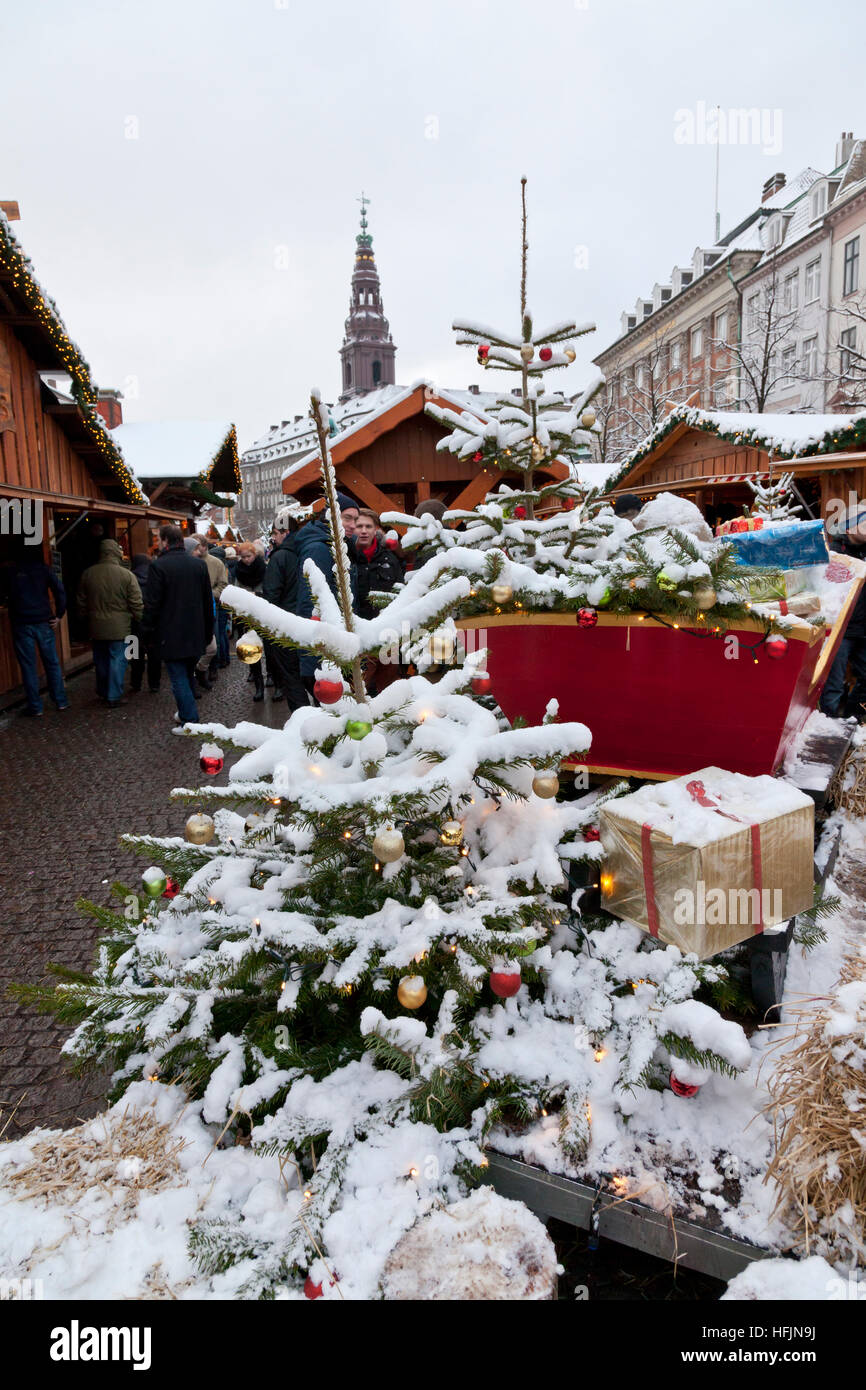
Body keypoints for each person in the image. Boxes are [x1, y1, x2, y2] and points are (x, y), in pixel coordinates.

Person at [144, 524, 214, 726]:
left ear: (165, 541)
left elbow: (152, 605)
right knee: (186, 674)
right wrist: (208, 632)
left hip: (170, 634)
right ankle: (186, 713)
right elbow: (207, 603)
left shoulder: (159, 566)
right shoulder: (198, 565)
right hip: (196, 632)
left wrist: (146, 633)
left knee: (179, 678)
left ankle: (190, 721)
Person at [295, 494, 359, 697]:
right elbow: (311, 603)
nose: (353, 525)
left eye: (355, 520)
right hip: (325, 650)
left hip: (335, 642)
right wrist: (314, 657)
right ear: (331, 516)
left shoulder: (335, 547)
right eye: (347, 518)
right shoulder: (319, 549)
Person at [0, 541, 69, 716]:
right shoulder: (43, 569)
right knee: (52, 662)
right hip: (43, 620)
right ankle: (60, 701)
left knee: (28, 666)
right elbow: (60, 590)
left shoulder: (11, 571)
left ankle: (36, 707)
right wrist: (59, 614)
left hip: (22, 622)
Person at [76, 538, 143, 708]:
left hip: (96, 625)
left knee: (100, 659)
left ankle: (103, 690)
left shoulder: (88, 573)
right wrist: (140, 619)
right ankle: (113, 695)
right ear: (116, 553)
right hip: (119, 626)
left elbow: (81, 601)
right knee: (118, 659)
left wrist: (83, 619)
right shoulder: (127, 575)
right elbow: (135, 602)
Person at [260, 501, 310, 711]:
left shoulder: (279, 557)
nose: (273, 537)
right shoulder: (307, 550)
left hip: (286, 626)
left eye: (275, 533)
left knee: (292, 678)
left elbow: (271, 594)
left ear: (285, 532)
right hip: (309, 622)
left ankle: (302, 721)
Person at [820, 500, 866, 719]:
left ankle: (853, 719)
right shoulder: (835, 554)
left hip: (864, 629)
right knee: (833, 682)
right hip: (842, 630)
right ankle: (826, 722)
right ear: (849, 528)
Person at [234, 541, 267, 700]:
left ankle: (273, 678)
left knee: (270, 649)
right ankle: (258, 684)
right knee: (251, 649)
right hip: (247, 615)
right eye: (243, 557)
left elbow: (269, 590)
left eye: (249, 556)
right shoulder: (239, 571)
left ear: (255, 554)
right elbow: (236, 591)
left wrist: (258, 596)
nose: (246, 559)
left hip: (263, 613)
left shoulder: (263, 567)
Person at [129, 553, 161, 694]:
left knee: (134, 654)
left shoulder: (129, 577)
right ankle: (154, 683)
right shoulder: (156, 578)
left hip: (133, 623)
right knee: (154, 654)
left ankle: (135, 682)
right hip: (153, 623)